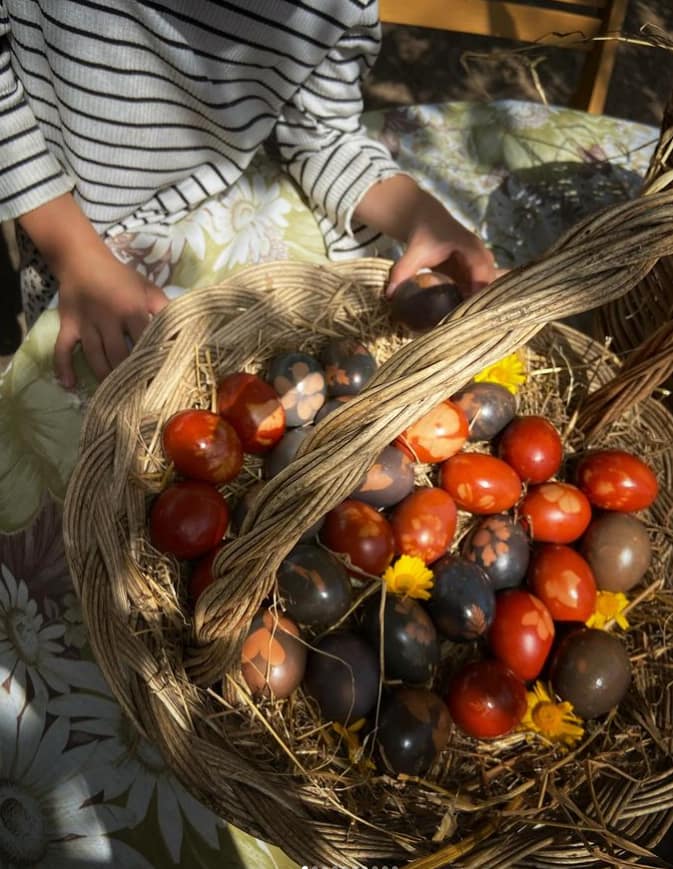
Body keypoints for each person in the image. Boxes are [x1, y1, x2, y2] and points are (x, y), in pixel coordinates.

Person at [0, 0, 495, 388]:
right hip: (65, 230)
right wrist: (76, 256)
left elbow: (320, 135)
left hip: (199, 219)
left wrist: (420, 215)